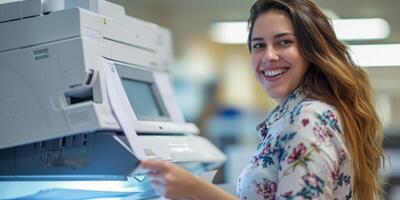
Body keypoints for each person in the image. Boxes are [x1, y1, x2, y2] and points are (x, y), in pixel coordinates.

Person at [140, 0, 385, 199]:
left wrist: (197, 191)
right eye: (258, 45)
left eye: (284, 42)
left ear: (313, 50)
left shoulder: (309, 118)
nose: (268, 55)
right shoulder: (296, 116)